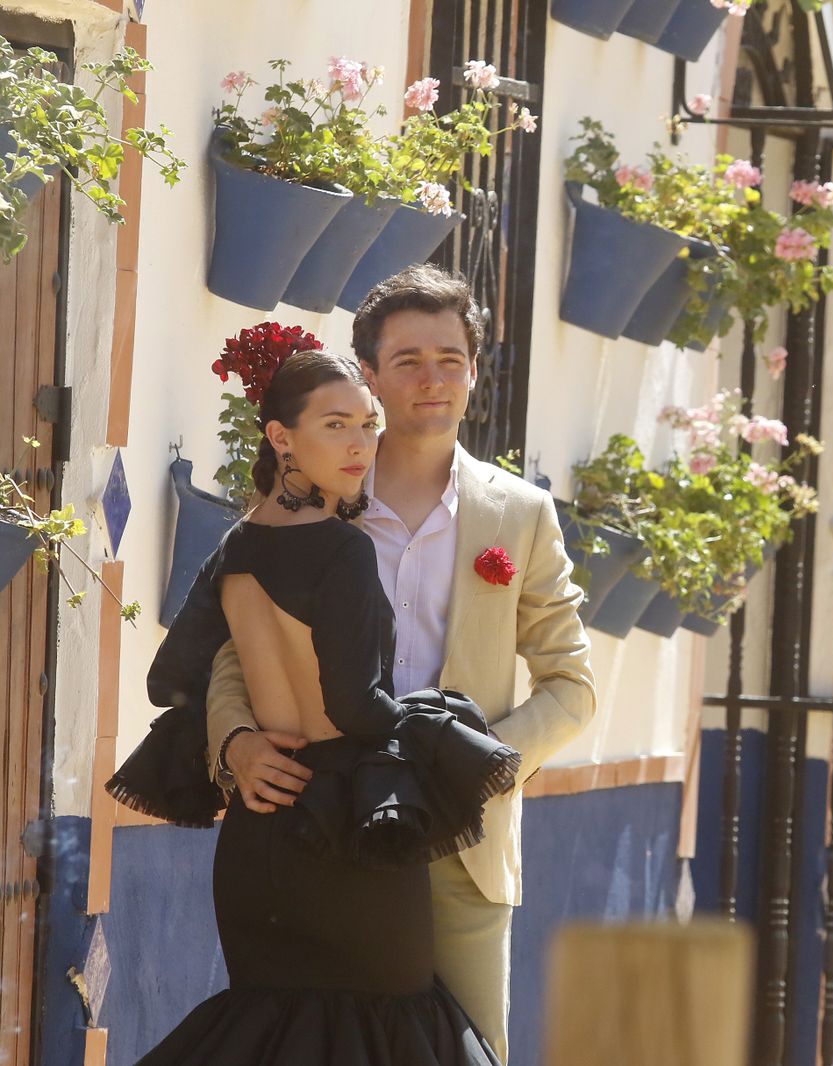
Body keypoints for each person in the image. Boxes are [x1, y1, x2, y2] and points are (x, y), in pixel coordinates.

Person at [204, 264, 597, 1063]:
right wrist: (233, 744)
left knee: (469, 1054)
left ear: (475, 372)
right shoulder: (308, 500)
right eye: (409, 361)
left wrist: (474, 771)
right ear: (370, 378)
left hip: (461, 850)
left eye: (451, 359)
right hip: (317, 826)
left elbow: (571, 687)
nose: (433, 380)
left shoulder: (520, 514)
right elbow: (229, 651)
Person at [108, 350, 517, 1064]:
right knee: (393, 1033)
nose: (361, 445)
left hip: (260, 835)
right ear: (280, 437)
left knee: (269, 1032)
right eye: (336, 426)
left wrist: (238, 740)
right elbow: (357, 709)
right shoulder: (343, 550)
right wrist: (435, 722)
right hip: (351, 829)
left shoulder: (234, 545)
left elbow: (172, 676)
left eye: (367, 424)